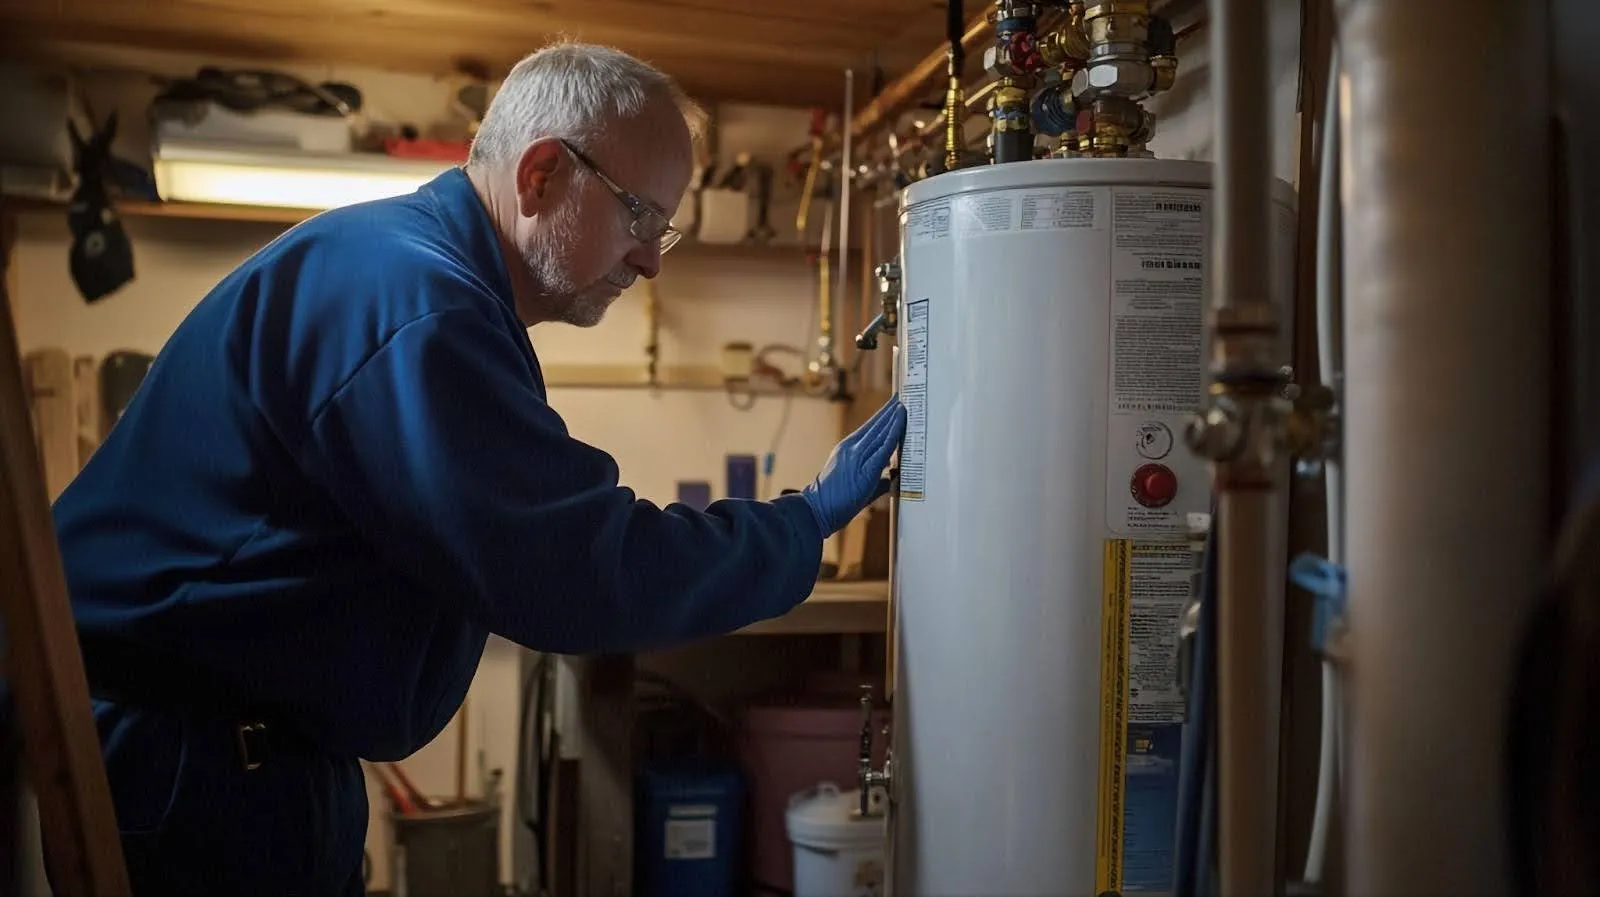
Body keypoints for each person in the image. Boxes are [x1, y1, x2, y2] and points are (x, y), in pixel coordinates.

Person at [46, 40, 906, 896]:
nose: (650, 259)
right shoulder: (418, 301)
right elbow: (578, 565)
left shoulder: (422, 278)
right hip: (195, 769)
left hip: (242, 757)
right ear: (541, 177)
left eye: (664, 230)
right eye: (640, 217)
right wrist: (803, 522)